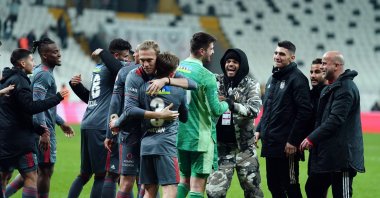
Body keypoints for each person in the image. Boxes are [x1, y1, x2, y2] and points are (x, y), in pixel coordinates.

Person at [109, 40, 196, 198]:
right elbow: (128, 109)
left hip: (147, 136)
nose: (145, 64)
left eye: (149, 60)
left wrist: (166, 80)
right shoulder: (132, 75)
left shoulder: (168, 74)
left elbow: (192, 84)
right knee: (130, 181)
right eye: (142, 60)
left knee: (147, 186)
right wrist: (159, 115)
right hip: (133, 133)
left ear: (158, 58)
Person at [68, 38, 131, 198]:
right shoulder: (112, 68)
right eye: (125, 56)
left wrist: (76, 87)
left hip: (89, 123)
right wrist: (103, 53)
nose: (128, 59)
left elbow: (92, 99)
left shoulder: (99, 69)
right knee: (104, 175)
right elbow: (119, 69)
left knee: (85, 174)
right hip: (101, 125)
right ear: (115, 55)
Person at [0, 48, 67, 198]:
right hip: (20, 140)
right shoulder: (21, 81)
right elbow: (30, 108)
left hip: (3, 140)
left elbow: (17, 113)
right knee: (31, 177)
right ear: (23, 63)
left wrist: (39, 128)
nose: (34, 63)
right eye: (31, 60)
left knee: (3, 177)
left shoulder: (5, 80)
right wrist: (56, 98)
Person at [300, 51, 365, 198]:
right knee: (313, 188)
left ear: (336, 66)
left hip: (342, 158)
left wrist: (311, 138)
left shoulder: (346, 88)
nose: (322, 67)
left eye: (324, 63)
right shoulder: (332, 87)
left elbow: (335, 120)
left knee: (342, 194)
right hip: (328, 155)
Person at [255, 40, 312, 198]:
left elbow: (305, 112)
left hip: (288, 147)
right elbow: (268, 112)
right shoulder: (272, 79)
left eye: (282, 54)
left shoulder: (298, 79)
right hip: (271, 144)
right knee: (274, 186)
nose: (277, 56)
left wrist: (293, 141)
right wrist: (258, 130)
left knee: (291, 186)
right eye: (276, 53)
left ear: (292, 58)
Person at [175, 32, 229, 198]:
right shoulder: (207, 76)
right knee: (197, 188)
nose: (212, 52)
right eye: (211, 49)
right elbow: (216, 110)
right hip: (200, 137)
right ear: (201, 51)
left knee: (183, 182)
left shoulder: (177, 67)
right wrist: (228, 103)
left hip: (180, 134)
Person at [206, 48, 263, 198]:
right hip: (221, 150)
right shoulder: (215, 81)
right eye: (228, 61)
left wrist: (232, 105)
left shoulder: (251, 85)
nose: (230, 64)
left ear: (242, 65)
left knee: (253, 193)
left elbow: (254, 109)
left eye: (235, 62)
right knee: (213, 193)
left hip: (245, 150)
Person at [30, 38, 74, 198]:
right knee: (45, 169)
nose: (59, 54)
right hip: (43, 129)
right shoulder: (44, 75)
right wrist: (44, 131)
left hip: (39, 126)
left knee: (32, 171)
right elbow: (37, 103)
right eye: (55, 52)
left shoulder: (38, 70)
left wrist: (61, 122)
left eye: (58, 51)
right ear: (45, 55)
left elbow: (45, 104)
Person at [102, 44, 140, 198]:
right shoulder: (125, 71)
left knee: (119, 176)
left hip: (129, 131)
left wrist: (110, 133)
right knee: (140, 180)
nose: (132, 56)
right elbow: (115, 103)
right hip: (131, 131)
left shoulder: (123, 71)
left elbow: (115, 103)